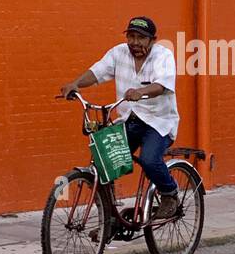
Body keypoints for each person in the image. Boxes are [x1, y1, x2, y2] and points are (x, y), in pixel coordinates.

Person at [60, 16, 180, 217]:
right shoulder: (118, 53)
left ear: (152, 40)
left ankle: (169, 194)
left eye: (141, 38)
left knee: (149, 160)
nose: (135, 42)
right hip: (129, 121)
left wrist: (141, 92)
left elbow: (161, 85)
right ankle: (108, 218)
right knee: (104, 162)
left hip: (158, 123)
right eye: (131, 36)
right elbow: (97, 71)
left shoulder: (163, 56)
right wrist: (76, 84)